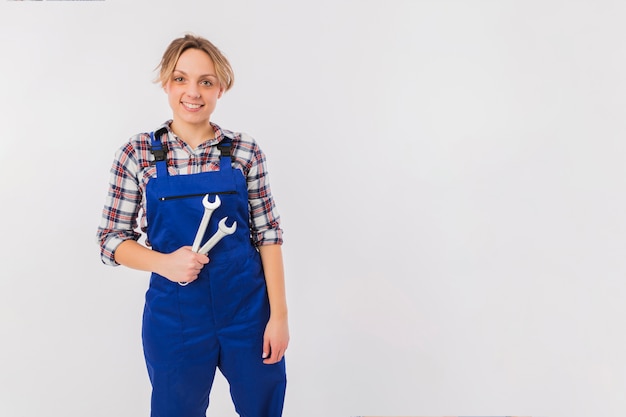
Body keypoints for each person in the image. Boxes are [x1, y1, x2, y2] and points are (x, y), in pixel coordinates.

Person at [96, 34, 288, 417]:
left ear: (221, 88)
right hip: (176, 319)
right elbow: (110, 240)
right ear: (166, 84)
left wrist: (279, 316)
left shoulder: (244, 151)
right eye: (181, 79)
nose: (193, 92)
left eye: (206, 81)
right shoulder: (138, 154)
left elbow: (268, 236)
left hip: (248, 313)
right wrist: (164, 263)